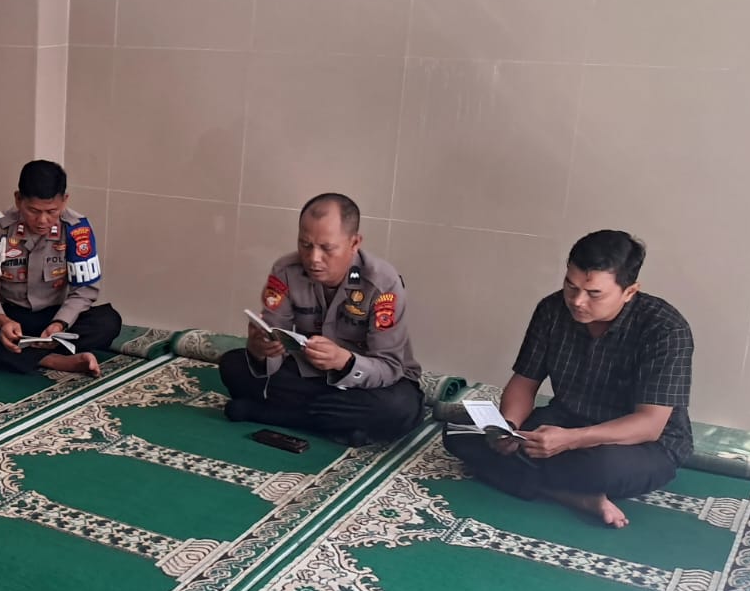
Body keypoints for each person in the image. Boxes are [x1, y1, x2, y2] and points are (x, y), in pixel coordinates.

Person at [443, 231, 693, 529]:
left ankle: (548, 482)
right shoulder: (552, 310)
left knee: (601, 469)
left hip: (638, 444)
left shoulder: (665, 330)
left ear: (629, 291)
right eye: (570, 286)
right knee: (460, 432)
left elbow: (649, 425)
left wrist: (571, 440)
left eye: (594, 294)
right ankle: (572, 495)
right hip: (563, 421)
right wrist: (508, 427)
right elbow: (524, 382)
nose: (577, 301)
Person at [219, 193, 423, 445]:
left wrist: (344, 361)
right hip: (311, 374)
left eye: (327, 248)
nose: (313, 258)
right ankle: (338, 425)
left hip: (371, 384)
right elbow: (274, 339)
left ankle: (275, 415)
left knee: (400, 407)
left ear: (354, 243)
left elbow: (390, 367)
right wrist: (261, 350)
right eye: (305, 245)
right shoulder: (286, 271)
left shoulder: (382, 283)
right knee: (234, 366)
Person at [0, 160, 122, 376]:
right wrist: (2, 322)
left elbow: (85, 291)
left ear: (65, 200)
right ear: (18, 199)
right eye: (33, 211)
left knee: (108, 322)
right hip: (9, 316)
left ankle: (1, 355)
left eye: (52, 211)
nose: (42, 220)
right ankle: (54, 360)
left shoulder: (77, 229)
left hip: (56, 317)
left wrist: (60, 324)